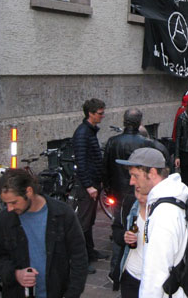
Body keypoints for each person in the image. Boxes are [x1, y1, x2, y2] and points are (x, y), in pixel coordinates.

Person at [0, 169, 88, 297]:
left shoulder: (62, 214)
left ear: (28, 192)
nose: (9, 208)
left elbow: (79, 257)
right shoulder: (3, 219)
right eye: (6, 203)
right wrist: (15, 274)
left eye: (13, 202)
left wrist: (72, 294)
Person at [117, 147, 188, 297]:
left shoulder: (164, 214)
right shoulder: (167, 199)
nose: (131, 182)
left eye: (135, 175)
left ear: (153, 173)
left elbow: (155, 276)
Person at [104, 108, 165, 279]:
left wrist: (108, 188)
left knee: (122, 226)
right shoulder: (146, 143)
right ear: (139, 122)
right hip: (138, 193)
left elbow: (106, 167)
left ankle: (116, 270)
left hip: (119, 191)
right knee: (131, 228)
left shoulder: (113, 141)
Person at [72, 98, 108, 273]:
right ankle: (79, 260)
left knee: (90, 220)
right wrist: (88, 186)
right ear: (90, 113)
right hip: (88, 185)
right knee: (83, 222)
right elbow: (81, 162)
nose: (102, 116)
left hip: (93, 181)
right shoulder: (82, 133)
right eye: (100, 113)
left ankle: (90, 251)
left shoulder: (90, 131)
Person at [110, 189, 148, 297]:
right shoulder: (130, 204)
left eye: (144, 193)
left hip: (152, 277)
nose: (139, 197)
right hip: (130, 274)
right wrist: (124, 236)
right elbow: (116, 229)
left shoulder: (162, 210)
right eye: (137, 191)